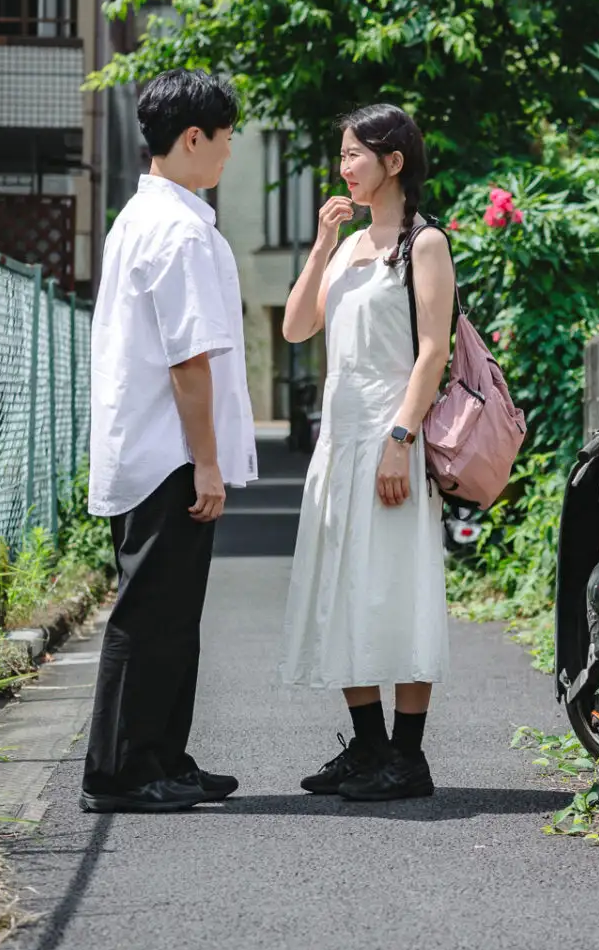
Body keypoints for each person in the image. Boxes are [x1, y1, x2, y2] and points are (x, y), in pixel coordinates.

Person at [81, 69, 258, 814]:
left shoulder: (144, 217)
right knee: (151, 612)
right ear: (193, 138)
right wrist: (208, 461)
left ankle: (162, 758)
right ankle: (119, 771)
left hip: (153, 444)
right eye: (224, 139)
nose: (227, 153)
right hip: (170, 452)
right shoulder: (180, 229)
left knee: (170, 614)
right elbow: (189, 359)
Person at [279, 104, 455, 801]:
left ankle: (407, 757)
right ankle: (369, 746)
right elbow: (296, 328)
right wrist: (322, 246)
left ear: (394, 162)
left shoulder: (425, 243)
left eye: (354, 154)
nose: (343, 166)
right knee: (341, 585)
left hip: (390, 434)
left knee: (398, 586)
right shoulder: (349, 247)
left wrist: (399, 440)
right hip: (340, 434)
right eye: (342, 153)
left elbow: (432, 352)